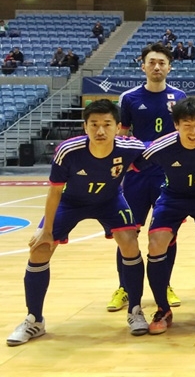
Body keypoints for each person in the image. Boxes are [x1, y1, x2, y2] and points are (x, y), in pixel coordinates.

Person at [6, 100, 148, 346]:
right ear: (85, 127)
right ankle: (34, 320)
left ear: (118, 127)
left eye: (107, 124)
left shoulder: (130, 147)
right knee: (39, 248)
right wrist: (46, 231)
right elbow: (54, 192)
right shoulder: (68, 150)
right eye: (94, 124)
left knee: (129, 241)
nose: (100, 131)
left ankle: (135, 310)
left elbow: (160, 153)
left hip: (110, 200)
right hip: (70, 202)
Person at [142, 97, 195, 334]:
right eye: (187, 125)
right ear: (176, 125)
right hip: (172, 198)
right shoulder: (161, 146)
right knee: (155, 244)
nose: (193, 131)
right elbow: (133, 163)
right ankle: (162, 308)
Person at [110, 43, 186, 312]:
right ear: (143, 66)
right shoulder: (129, 98)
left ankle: (164, 284)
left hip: (169, 176)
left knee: (168, 234)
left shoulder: (179, 96)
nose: (157, 67)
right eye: (152, 62)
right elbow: (122, 135)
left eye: (162, 63)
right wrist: (123, 169)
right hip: (138, 175)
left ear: (169, 67)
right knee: (127, 233)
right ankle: (125, 287)